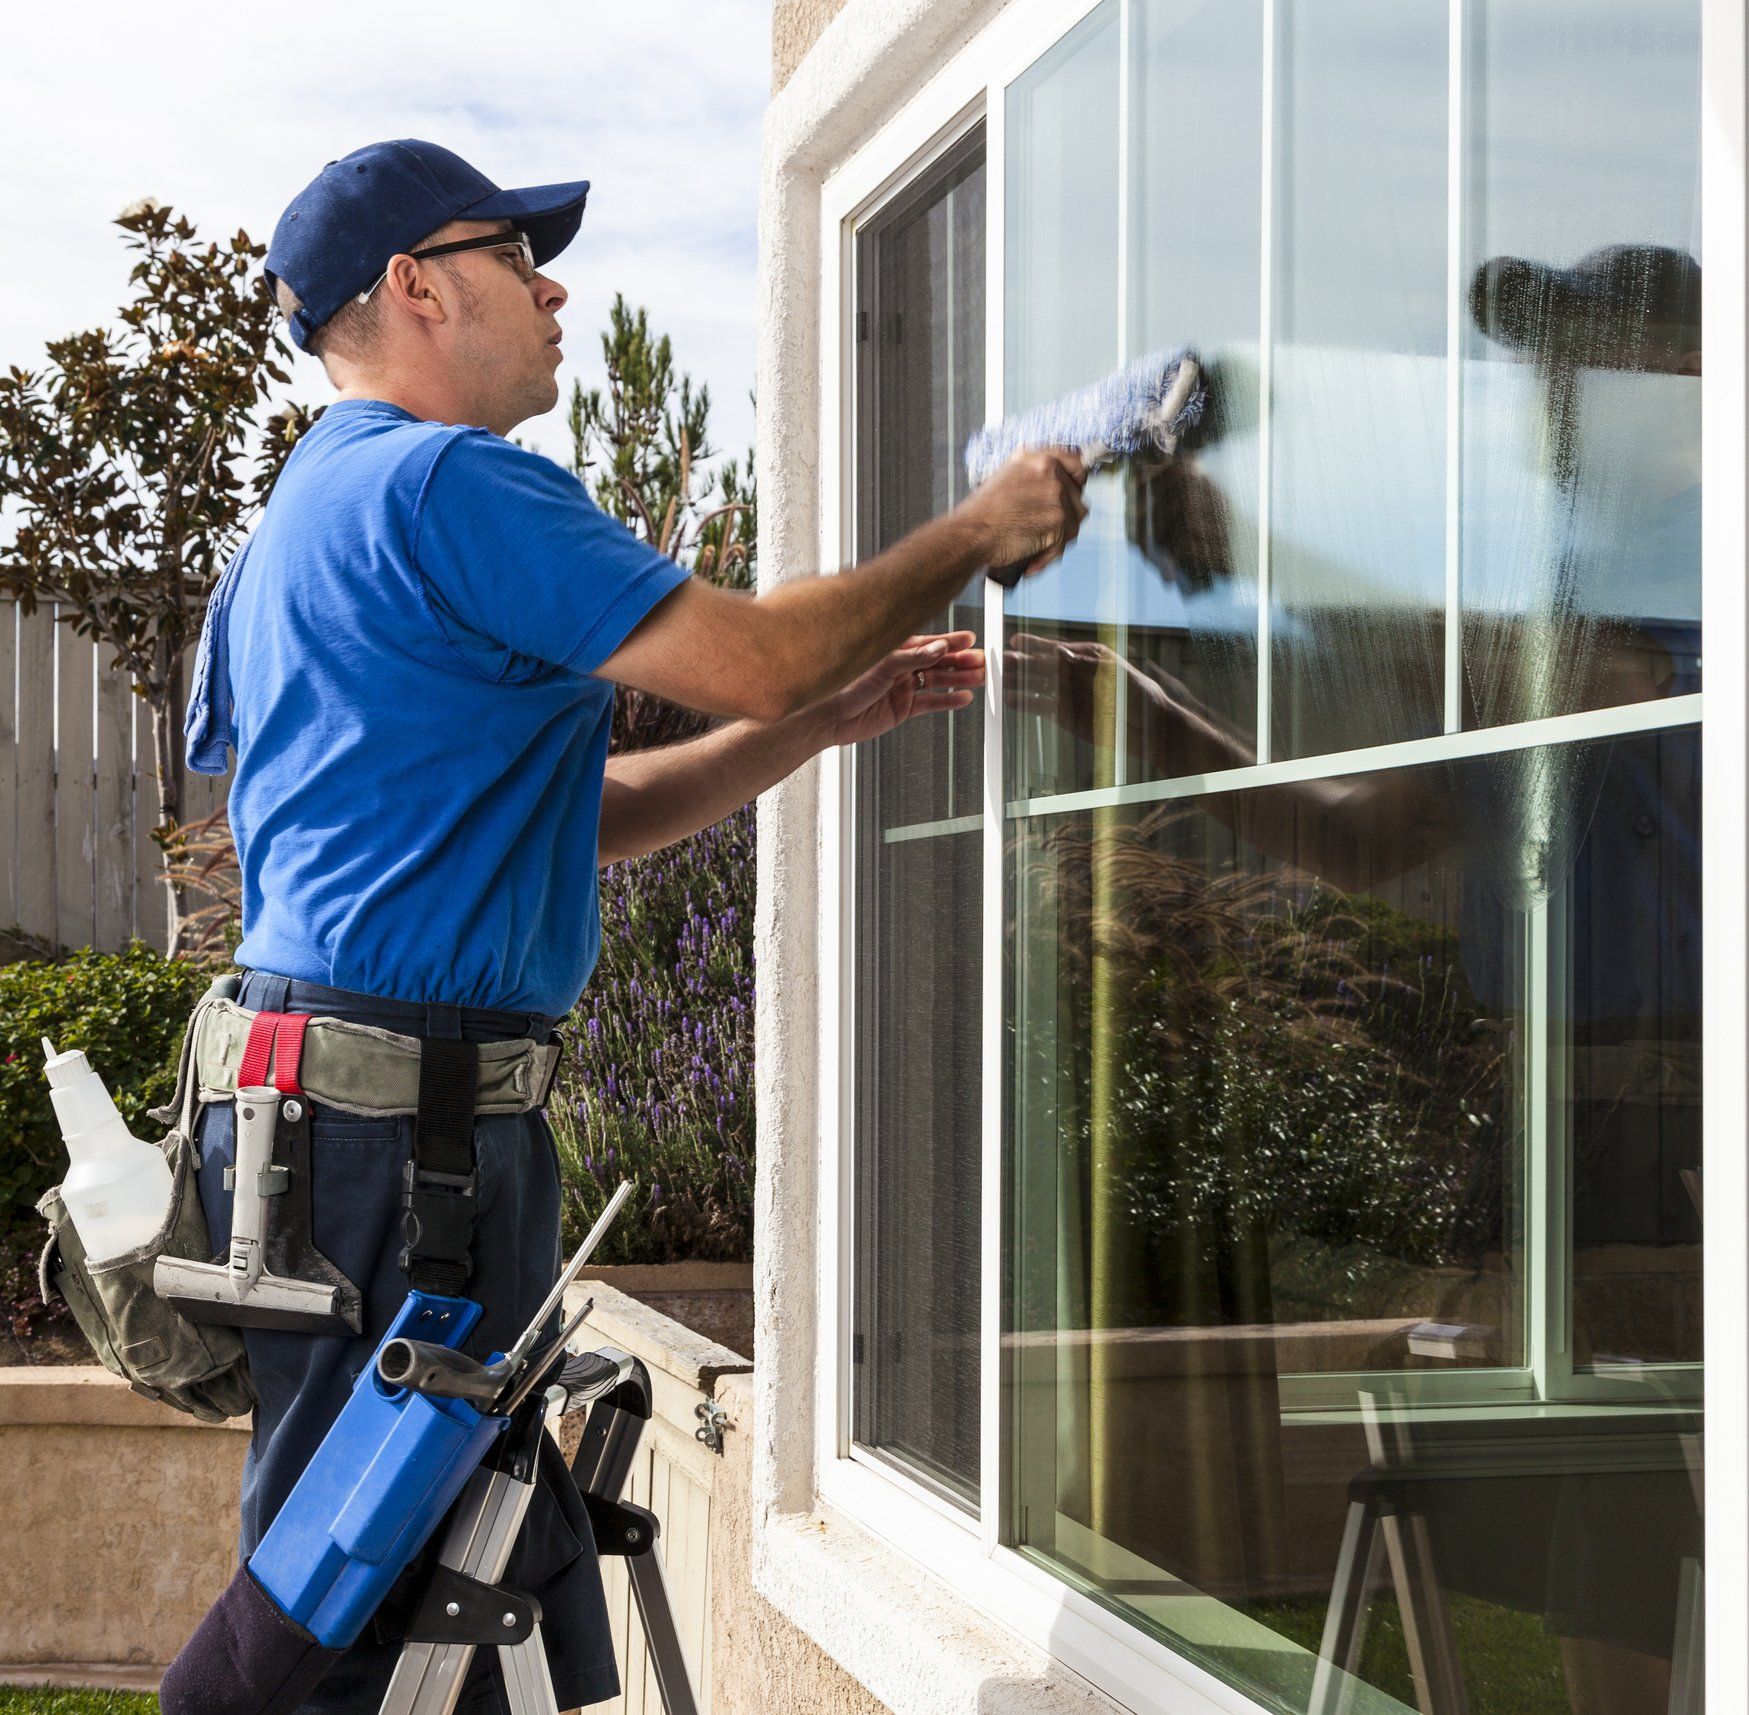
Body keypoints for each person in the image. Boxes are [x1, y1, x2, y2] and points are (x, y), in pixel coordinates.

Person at [182, 138, 1086, 1715]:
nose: (554, 288)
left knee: (403, 1550)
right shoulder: (448, 483)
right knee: (361, 1583)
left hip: (323, 1118)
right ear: (413, 287)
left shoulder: (288, 532)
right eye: (512, 256)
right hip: (409, 1138)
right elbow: (745, 652)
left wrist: (810, 729)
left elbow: (557, 820)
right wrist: (972, 529)